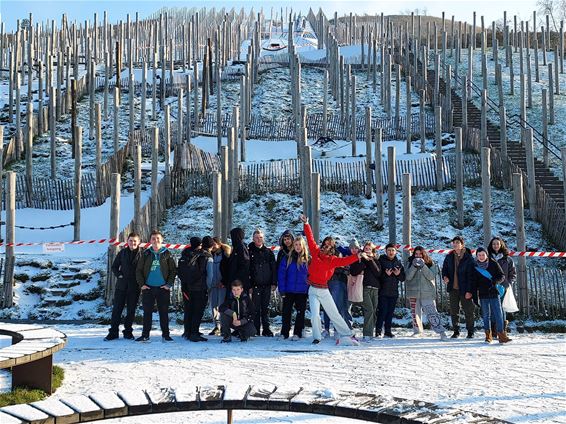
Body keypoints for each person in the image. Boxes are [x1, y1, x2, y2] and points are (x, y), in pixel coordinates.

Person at [300, 214, 362, 345]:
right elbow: (310, 239)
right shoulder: (315, 251)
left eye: (328, 245)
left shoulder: (332, 260)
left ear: (332, 248)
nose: (325, 246)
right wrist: (306, 224)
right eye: (324, 244)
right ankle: (317, 337)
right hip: (312, 289)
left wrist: (358, 256)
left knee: (334, 313)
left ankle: (347, 333)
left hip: (324, 290)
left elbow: (345, 260)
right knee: (315, 315)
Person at [135, 229, 177, 342]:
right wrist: (142, 284)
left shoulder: (167, 253)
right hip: (148, 288)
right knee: (147, 312)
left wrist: (169, 284)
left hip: (163, 288)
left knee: (164, 312)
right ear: (150, 240)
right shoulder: (146, 253)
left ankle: (166, 335)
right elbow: (138, 270)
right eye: (153, 238)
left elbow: (173, 270)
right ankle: (145, 335)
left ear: (162, 240)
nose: (156, 240)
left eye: (158, 238)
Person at [105, 232, 142, 341]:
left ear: (139, 242)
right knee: (117, 309)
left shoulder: (143, 254)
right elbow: (114, 267)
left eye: (135, 241)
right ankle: (113, 332)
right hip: (121, 286)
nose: (133, 243)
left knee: (131, 310)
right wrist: (119, 275)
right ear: (127, 241)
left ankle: (128, 332)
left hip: (134, 287)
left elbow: (145, 270)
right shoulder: (122, 253)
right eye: (131, 240)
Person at [405, 246, 447, 340]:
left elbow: (431, 276)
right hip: (413, 293)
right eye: (416, 254)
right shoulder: (409, 263)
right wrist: (414, 266)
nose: (418, 256)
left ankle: (441, 332)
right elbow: (408, 277)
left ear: (424, 254)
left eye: (420, 254)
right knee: (415, 314)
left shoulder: (430, 263)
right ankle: (417, 331)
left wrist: (423, 266)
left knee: (432, 313)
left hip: (427, 293)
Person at [471, 247, 511, 343]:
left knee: (499, 314)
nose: (481, 257)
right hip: (483, 294)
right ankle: (488, 335)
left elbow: (502, 275)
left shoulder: (493, 263)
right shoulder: (475, 267)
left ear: (486, 255)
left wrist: (495, 281)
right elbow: (473, 283)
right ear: (476, 256)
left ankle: (501, 335)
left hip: (494, 292)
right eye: (479, 255)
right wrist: (475, 297)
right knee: (485, 315)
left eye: (483, 255)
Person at [177, 236, 214, 342]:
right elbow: (210, 276)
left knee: (189, 310)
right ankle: (194, 333)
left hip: (186, 287)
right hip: (200, 288)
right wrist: (209, 287)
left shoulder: (185, 254)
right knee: (198, 311)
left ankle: (187, 331)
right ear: (200, 244)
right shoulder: (206, 256)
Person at [441, 236, 476, 339]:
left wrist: (470, 290)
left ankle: (470, 331)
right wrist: (445, 276)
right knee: (454, 311)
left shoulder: (468, 257)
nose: (455, 244)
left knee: (468, 311)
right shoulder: (449, 256)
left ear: (462, 244)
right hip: (453, 289)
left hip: (465, 289)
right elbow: (445, 269)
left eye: (457, 242)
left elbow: (472, 276)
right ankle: (456, 331)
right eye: (454, 242)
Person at [278, 236, 309, 340]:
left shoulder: (308, 259)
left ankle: (297, 333)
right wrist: (282, 289)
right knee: (286, 312)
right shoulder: (287, 258)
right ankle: (284, 333)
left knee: (300, 312)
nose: (298, 246)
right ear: (293, 246)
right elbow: (281, 274)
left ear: (303, 245)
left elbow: (311, 275)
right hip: (289, 290)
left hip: (302, 291)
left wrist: (309, 288)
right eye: (296, 244)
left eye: (300, 244)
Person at [350, 241, 381, 341]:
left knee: (374, 311)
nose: (367, 250)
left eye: (369, 249)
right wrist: (363, 261)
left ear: (372, 250)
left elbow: (378, 273)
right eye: (366, 248)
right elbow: (353, 271)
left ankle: (371, 332)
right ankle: (367, 334)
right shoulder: (359, 259)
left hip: (375, 288)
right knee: (369, 309)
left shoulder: (375, 259)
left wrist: (370, 260)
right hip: (364, 288)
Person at [248, 229, 277, 337]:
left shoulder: (268, 252)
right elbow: (248, 270)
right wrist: (249, 285)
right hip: (255, 285)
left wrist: (274, 282)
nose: (259, 239)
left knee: (265, 308)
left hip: (267, 284)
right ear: (253, 238)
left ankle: (266, 328)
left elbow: (273, 268)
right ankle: (255, 329)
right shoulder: (250, 251)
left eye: (260, 237)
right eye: (256, 237)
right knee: (255, 308)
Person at [487, 236, 516, 336]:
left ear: (501, 245)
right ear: (491, 245)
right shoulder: (488, 258)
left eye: (497, 244)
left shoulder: (508, 259)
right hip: (491, 286)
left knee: (502, 308)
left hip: (504, 287)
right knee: (493, 308)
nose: (495, 246)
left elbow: (513, 274)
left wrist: (508, 284)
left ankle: (502, 329)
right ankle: (494, 330)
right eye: (493, 244)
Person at [376, 243, 405, 338]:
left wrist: (398, 274)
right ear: (385, 251)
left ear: (396, 252)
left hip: (394, 292)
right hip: (383, 291)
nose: (391, 252)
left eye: (393, 250)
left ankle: (388, 331)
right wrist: (385, 275)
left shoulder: (398, 262)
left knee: (390, 312)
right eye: (389, 250)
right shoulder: (381, 261)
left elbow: (403, 278)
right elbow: (377, 275)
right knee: (382, 311)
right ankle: (378, 330)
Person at [208, 237, 231, 336]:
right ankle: (216, 326)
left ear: (219, 244)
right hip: (213, 285)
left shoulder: (226, 254)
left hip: (222, 285)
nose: (213, 246)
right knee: (213, 306)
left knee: (222, 305)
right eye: (211, 244)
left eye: (214, 243)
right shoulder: (210, 255)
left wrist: (224, 281)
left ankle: (223, 326)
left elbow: (228, 270)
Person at [227, 228, 250, 292]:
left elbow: (244, 263)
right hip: (235, 279)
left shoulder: (241, 247)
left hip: (239, 282)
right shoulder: (236, 247)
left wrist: (237, 279)